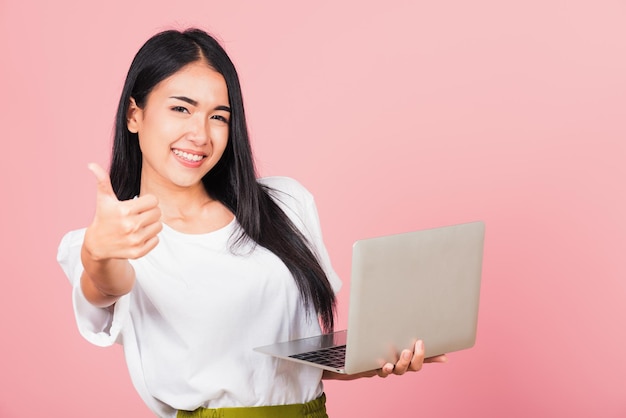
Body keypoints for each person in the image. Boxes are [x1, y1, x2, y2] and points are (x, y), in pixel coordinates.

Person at [57, 28, 446, 418]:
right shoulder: (113, 242)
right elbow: (106, 285)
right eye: (181, 108)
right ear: (133, 114)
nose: (200, 134)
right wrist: (98, 252)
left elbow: (292, 362)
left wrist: (374, 355)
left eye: (218, 116)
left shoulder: (284, 205)